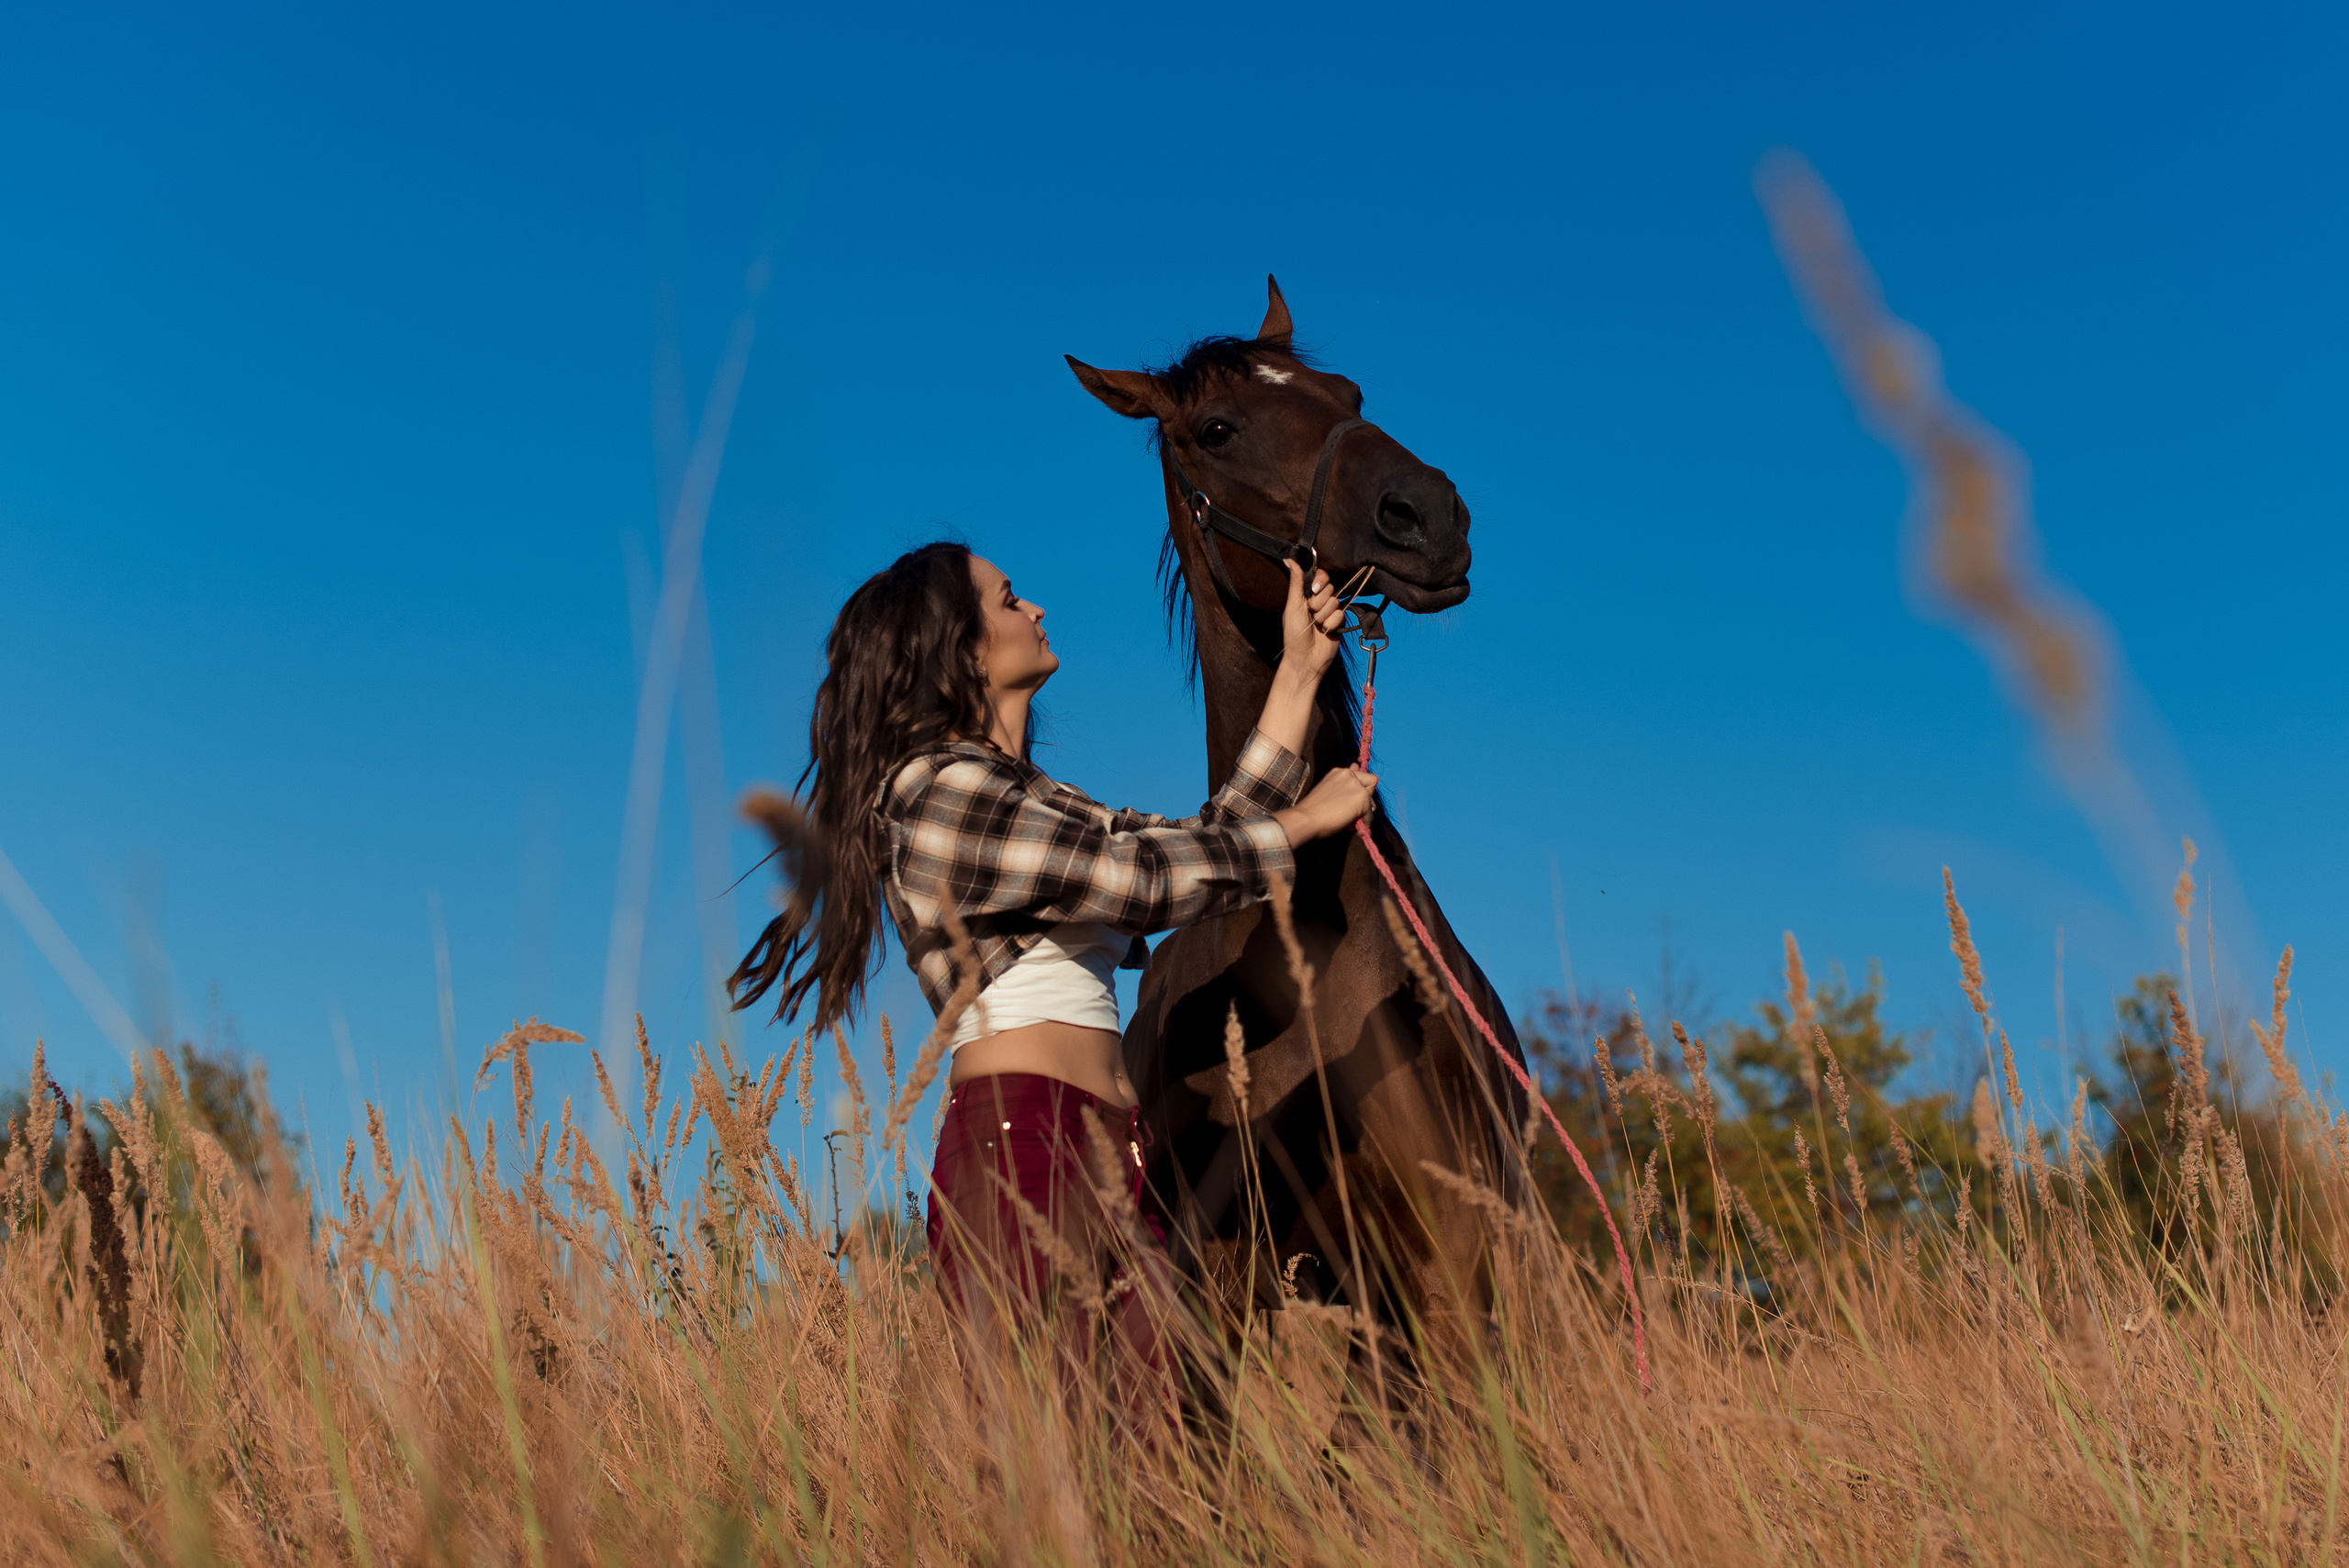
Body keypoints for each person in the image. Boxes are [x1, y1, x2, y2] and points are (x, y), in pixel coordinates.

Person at [729, 540, 1375, 1392]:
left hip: (1113, 1148)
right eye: (1006, 599)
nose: (1033, 609)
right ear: (956, 647)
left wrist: (1297, 673)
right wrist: (1302, 825)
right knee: (1067, 1463)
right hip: (1023, 1145)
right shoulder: (931, 789)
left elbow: (1206, 842)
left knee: (1154, 1463)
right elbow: (1149, 880)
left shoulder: (1034, 801)